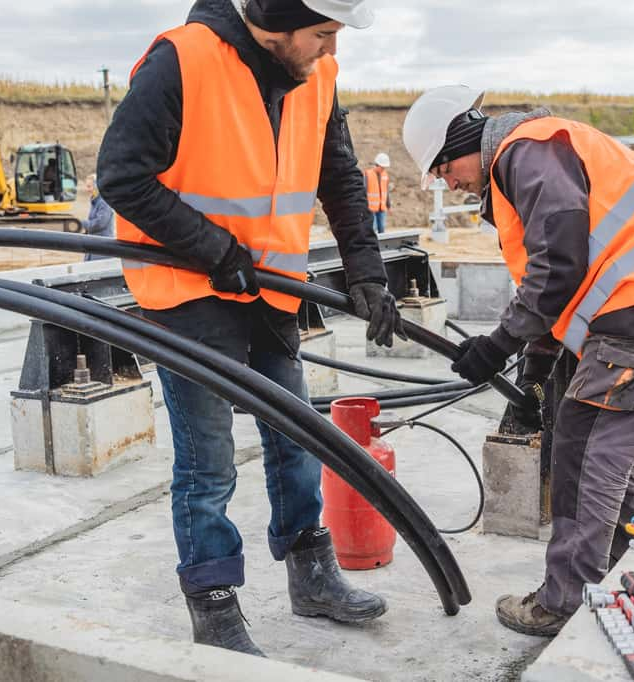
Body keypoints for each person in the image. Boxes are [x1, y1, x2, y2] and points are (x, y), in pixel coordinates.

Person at [97, 0, 404, 658]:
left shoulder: (315, 74)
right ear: (278, 20)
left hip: (269, 291)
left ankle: (311, 575)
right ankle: (213, 605)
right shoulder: (182, 59)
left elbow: (342, 180)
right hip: (189, 293)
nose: (330, 48)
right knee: (208, 466)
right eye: (322, 33)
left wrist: (367, 274)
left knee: (296, 440)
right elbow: (122, 176)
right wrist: (213, 249)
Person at [403, 85, 634, 638]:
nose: (447, 183)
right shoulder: (533, 156)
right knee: (611, 437)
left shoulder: (525, 153)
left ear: (461, 140)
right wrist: (534, 365)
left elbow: (558, 266)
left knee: (582, 444)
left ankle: (566, 599)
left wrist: (497, 345)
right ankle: (631, 550)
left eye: (442, 168)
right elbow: (564, 279)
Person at [80, 174, 114, 261]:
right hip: (95, 245)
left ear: (97, 186)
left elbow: (100, 224)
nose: (87, 189)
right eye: (87, 186)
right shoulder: (95, 201)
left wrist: (82, 223)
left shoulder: (103, 202)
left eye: (89, 186)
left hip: (103, 248)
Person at [364, 152, 392, 233]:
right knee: (373, 229)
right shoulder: (368, 175)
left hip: (382, 208)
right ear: (377, 164)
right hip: (371, 209)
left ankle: (381, 245)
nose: (384, 169)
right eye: (383, 167)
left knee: (382, 228)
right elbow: (363, 192)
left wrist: (389, 206)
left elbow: (386, 193)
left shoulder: (385, 175)